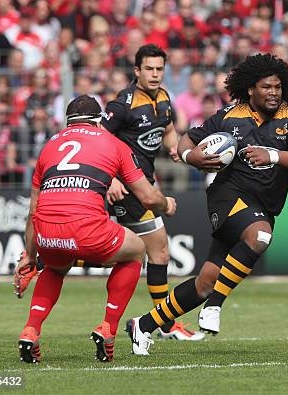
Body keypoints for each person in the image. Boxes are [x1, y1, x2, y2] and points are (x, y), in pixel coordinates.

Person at [125, 53, 288, 355]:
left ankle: (144, 325)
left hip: (262, 206)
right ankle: (214, 307)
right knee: (261, 235)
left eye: (278, 87)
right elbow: (187, 140)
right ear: (251, 89)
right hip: (227, 197)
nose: (273, 93)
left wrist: (274, 155)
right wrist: (192, 156)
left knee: (205, 281)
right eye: (266, 87)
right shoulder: (229, 115)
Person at [14, 95, 176, 363]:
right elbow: (147, 197)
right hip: (87, 228)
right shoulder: (113, 143)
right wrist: (166, 204)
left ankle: (31, 329)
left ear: (67, 122)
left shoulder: (49, 147)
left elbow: (33, 211)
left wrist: (30, 257)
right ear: (99, 121)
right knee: (137, 250)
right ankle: (108, 328)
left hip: (47, 232)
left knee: (56, 267)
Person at [100, 44, 205, 341]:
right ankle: (165, 323)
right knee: (157, 250)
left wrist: (172, 144)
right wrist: (110, 180)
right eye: (149, 68)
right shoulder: (123, 104)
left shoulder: (163, 97)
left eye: (159, 68)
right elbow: (99, 140)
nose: (155, 74)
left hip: (144, 181)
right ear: (137, 71)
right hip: (127, 187)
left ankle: (163, 322)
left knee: (146, 252)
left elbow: (169, 127)